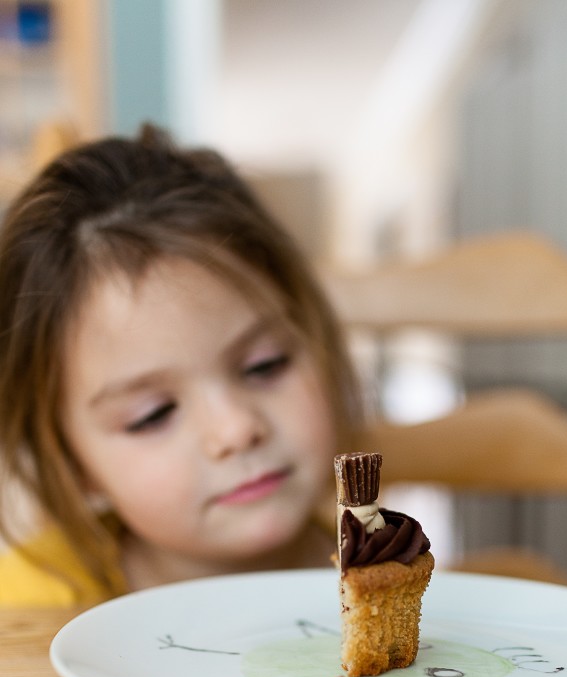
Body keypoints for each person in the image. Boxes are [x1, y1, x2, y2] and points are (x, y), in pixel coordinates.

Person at [0, 125, 361, 606]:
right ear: (72, 465)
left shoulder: (387, 568)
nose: (235, 429)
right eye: (152, 414)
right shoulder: (22, 612)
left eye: (264, 366)